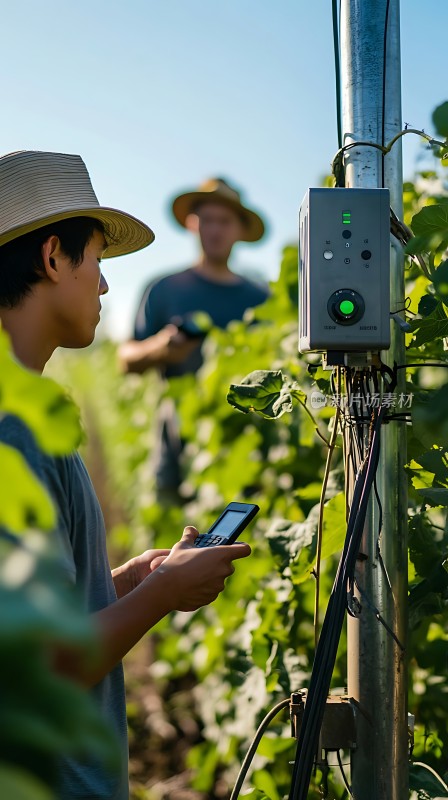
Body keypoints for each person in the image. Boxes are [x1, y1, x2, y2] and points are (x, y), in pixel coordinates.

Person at [0, 151, 251, 800]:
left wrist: (117, 586)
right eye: (99, 262)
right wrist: (161, 595)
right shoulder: (15, 428)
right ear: (54, 258)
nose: (106, 287)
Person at [118, 177, 269, 498]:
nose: (215, 230)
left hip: (248, 449)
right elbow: (125, 358)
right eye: (207, 220)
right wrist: (160, 349)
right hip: (174, 446)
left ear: (240, 230)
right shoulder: (164, 288)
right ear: (191, 224)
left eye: (224, 221)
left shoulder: (260, 299)